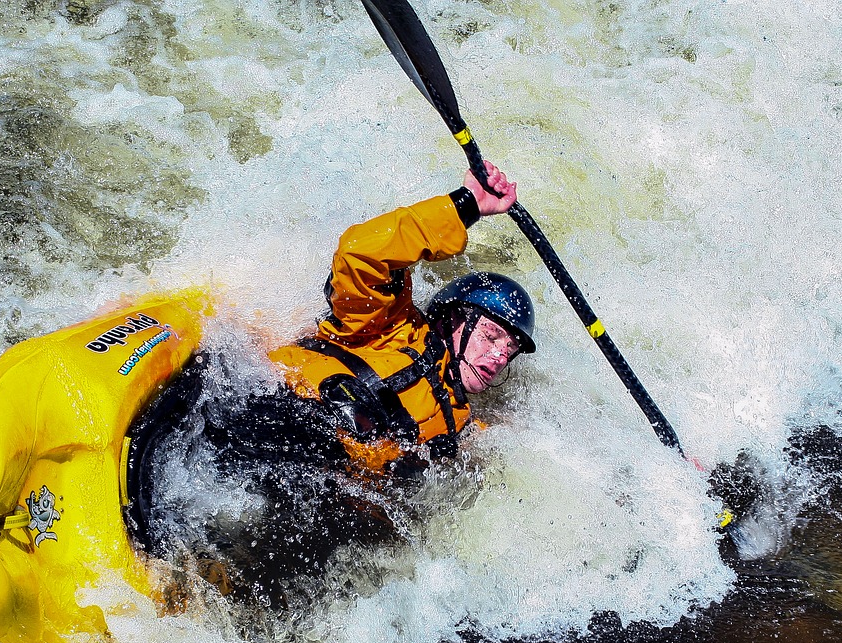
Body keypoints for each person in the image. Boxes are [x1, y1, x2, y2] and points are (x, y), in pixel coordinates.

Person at [124, 163, 537, 608]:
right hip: (264, 410)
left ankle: (183, 583)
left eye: (509, 349)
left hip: (309, 482)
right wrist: (465, 206)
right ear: (456, 318)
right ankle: (143, 521)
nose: (499, 355)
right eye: (493, 336)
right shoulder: (391, 327)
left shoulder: (459, 425)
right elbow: (361, 253)